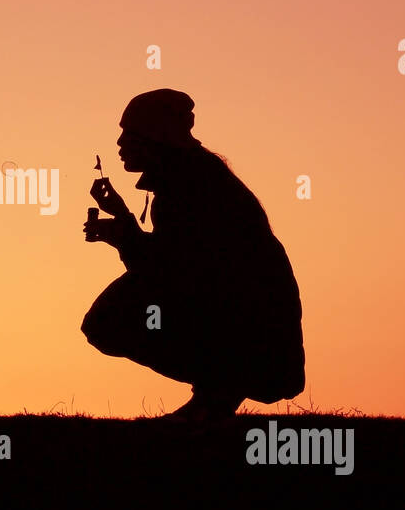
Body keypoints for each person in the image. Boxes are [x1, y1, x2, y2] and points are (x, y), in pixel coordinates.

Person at [82, 89, 305, 419]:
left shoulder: (189, 188)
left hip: (253, 329)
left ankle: (219, 389)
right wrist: (124, 224)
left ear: (154, 137)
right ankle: (216, 390)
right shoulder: (193, 177)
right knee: (116, 311)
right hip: (251, 323)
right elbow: (176, 264)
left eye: (130, 134)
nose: (120, 144)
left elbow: (175, 275)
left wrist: (126, 232)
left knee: (110, 317)